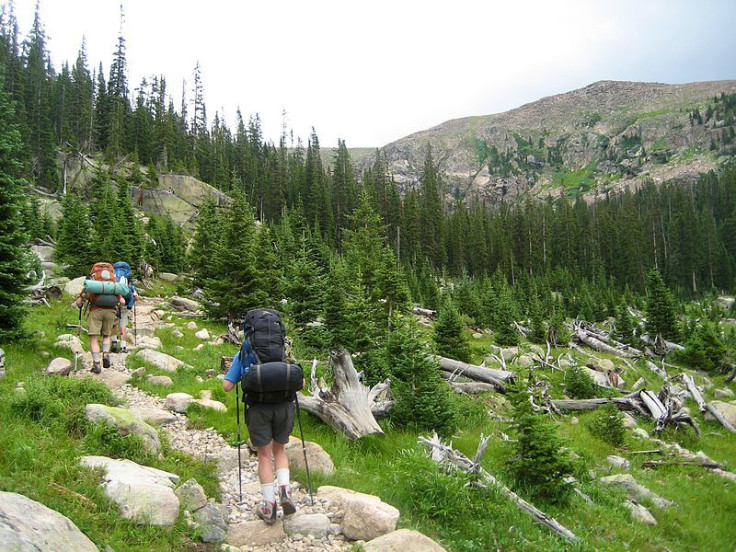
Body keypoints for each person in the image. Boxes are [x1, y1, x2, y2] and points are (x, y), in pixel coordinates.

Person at [223, 349, 297, 525]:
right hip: (284, 407)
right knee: (279, 450)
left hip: (258, 409)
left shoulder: (244, 351)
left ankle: (269, 506)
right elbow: (299, 381)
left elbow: (227, 386)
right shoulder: (282, 348)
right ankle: (285, 490)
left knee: (264, 455)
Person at [75, 270, 125, 374]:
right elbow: (122, 302)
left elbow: (80, 301)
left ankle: (96, 364)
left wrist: (80, 302)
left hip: (95, 311)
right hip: (111, 312)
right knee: (106, 336)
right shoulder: (112, 286)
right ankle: (106, 354)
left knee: (94, 337)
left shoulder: (93, 285)